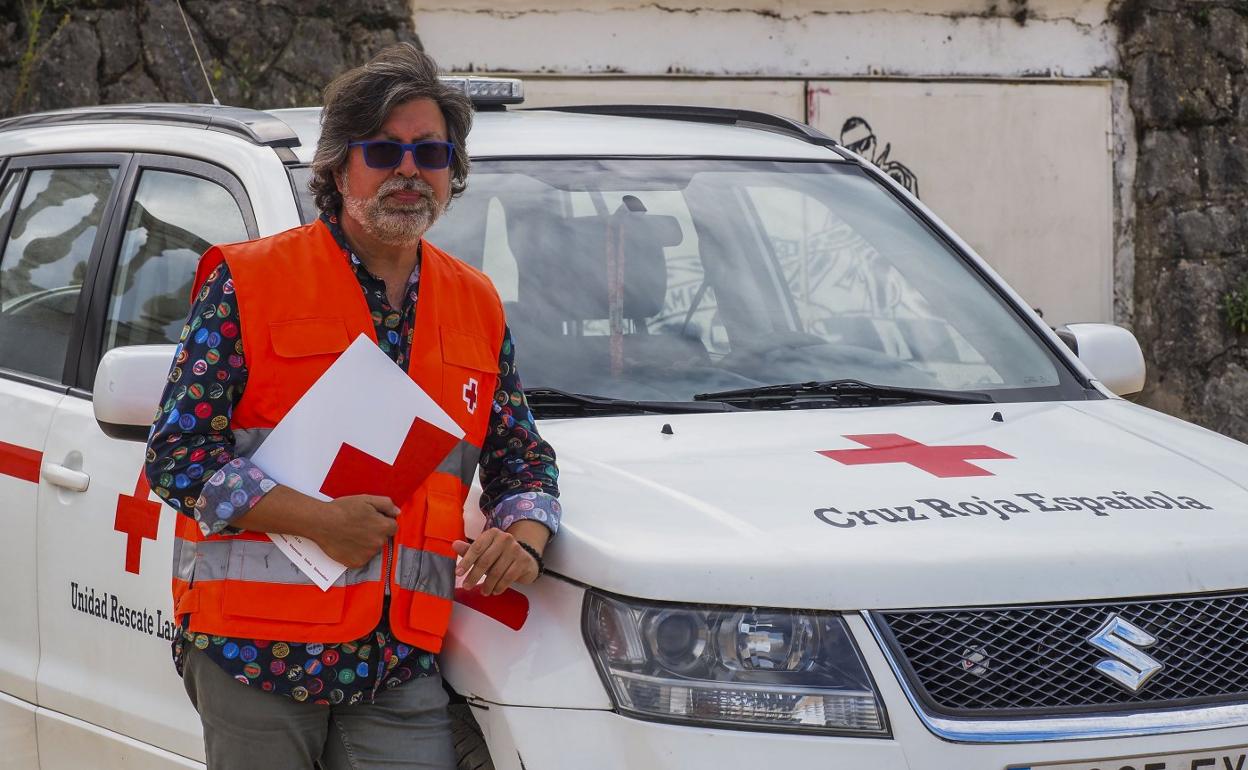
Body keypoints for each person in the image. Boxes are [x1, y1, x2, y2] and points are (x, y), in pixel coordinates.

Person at [144, 43, 561, 769]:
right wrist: (317, 520)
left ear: (452, 172)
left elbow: (521, 455)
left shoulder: (476, 302)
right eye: (384, 150)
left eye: (431, 152)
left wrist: (525, 534)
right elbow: (177, 458)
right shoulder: (250, 282)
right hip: (254, 656)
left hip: (398, 664)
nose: (410, 170)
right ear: (339, 168)